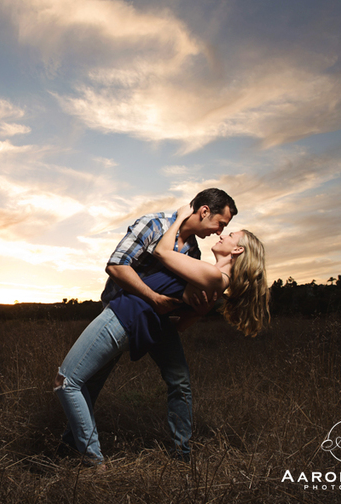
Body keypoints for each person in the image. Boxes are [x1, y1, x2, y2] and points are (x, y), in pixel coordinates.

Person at [54, 191, 269, 465]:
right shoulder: (156, 226)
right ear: (204, 211)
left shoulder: (200, 260)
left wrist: (194, 308)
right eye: (221, 224)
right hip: (123, 309)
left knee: (73, 382)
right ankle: (71, 445)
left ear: (237, 250)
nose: (220, 233)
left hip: (140, 317)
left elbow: (166, 262)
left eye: (226, 231)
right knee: (89, 381)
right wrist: (180, 304)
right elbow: (116, 265)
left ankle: (102, 460)